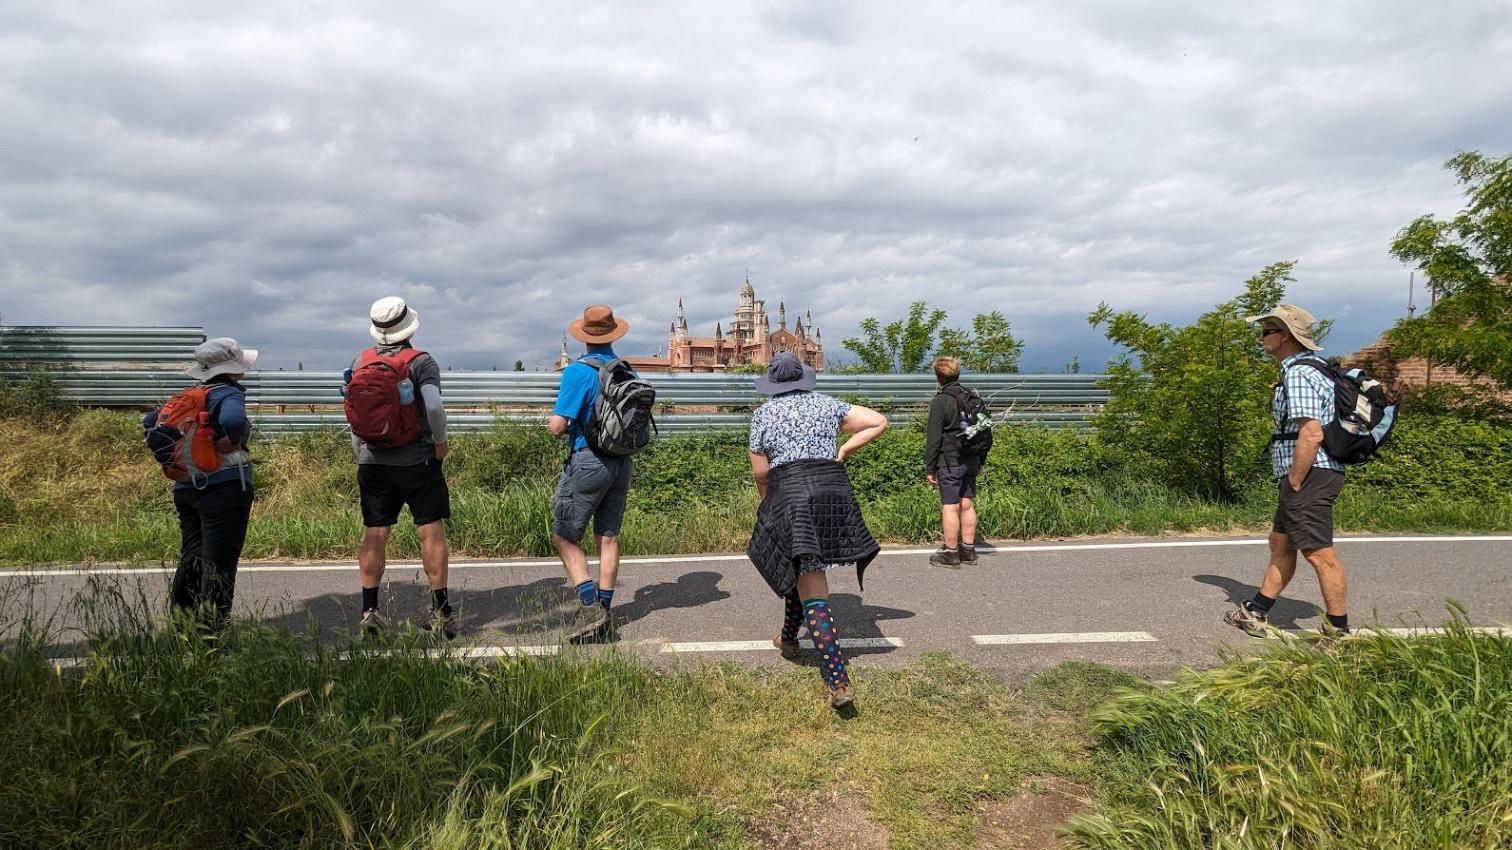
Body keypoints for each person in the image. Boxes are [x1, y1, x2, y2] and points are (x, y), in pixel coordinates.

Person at [746, 350, 889, 710]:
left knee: (812, 583)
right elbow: (878, 421)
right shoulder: (828, 405)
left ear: (773, 385)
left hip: (791, 494)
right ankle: (788, 638)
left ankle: (838, 681)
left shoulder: (763, 415)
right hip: (832, 493)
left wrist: (770, 503)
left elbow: (762, 473)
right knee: (802, 565)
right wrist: (843, 450)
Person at [1225, 304, 1352, 638]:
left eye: (1266, 331)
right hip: (1309, 472)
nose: (1261, 337)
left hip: (1310, 473)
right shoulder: (1313, 369)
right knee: (1280, 542)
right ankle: (1256, 612)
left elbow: (1311, 432)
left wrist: (1295, 479)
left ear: (1284, 336)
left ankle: (1339, 634)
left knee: (1319, 553)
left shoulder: (1298, 373)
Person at [347, 296, 455, 639]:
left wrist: (360, 453)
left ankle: (369, 612)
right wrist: (440, 442)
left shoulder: (360, 360)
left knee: (375, 531)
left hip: (372, 461)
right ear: (409, 326)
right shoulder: (421, 361)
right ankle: (440, 613)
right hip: (417, 460)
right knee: (430, 530)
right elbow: (434, 407)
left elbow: (353, 415)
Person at [143, 337, 257, 632]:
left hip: (186, 487)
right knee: (219, 563)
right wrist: (232, 440)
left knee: (192, 557)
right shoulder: (228, 393)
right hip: (225, 487)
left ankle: (182, 625)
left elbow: (150, 421)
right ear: (233, 370)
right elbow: (233, 420)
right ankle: (213, 634)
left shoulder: (190, 394)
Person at [547, 305, 636, 641]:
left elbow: (558, 426)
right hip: (622, 462)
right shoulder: (628, 373)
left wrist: (552, 422)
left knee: (565, 536)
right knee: (608, 537)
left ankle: (589, 608)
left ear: (584, 337)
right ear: (613, 335)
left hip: (588, 460)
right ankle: (605, 612)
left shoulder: (577, 372)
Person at [924, 356, 984, 568]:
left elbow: (934, 438)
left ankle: (951, 554)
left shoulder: (941, 401)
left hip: (949, 461)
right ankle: (968, 551)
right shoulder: (971, 397)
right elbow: (983, 430)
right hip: (971, 459)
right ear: (957, 373)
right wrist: (980, 461)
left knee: (950, 506)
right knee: (966, 504)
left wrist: (930, 468)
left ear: (938, 376)